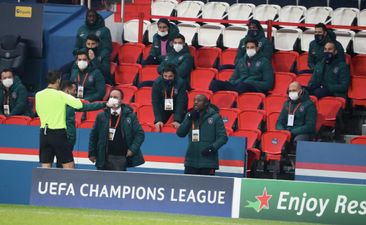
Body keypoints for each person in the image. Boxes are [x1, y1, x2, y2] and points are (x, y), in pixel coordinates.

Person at [35, 71, 83, 169]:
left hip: (44, 134)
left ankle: (45, 184)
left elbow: (38, 111)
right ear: (58, 80)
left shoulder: (38, 94)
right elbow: (79, 105)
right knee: (68, 166)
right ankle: (70, 184)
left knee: (46, 166)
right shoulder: (61, 95)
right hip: (58, 134)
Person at [89, 89, 145, 171]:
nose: (112, 99)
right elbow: (93, 135)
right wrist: (92, 153)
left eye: (115, 97)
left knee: (117, 181)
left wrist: (132, 149)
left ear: (121, 100)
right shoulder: (101, 116)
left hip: (120, 157)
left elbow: (140, 134)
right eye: (111, 97)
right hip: (102, 156)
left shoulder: (129, 115)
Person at [176, 94, 228, 175]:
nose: (196, 102)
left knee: (206, 186)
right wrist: (189, 119)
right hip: (191, 161)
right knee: (188, 186)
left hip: (208, 162)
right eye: (194, 100)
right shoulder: (190, 115)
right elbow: (180, 133)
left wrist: (212, 148)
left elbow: (223, 137)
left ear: (206, 103)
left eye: (199, 100)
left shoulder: (215, 117)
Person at [209, 39, 274, 94]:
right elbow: (232, 79)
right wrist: (239, 81)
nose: (249, 49)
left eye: (252, 47)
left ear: (257, 48)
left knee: (242, 86)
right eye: (247, 47)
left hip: (255, 88)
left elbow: (268, 84)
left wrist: (250, 82)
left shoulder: (265, 62)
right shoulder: (242, 61)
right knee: (214, 83)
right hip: (239, 85)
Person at [276, 81, 317, 154]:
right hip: (287, 131)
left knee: (299, 140)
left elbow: (310, 126)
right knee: (276, 139)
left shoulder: (309, 105)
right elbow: (279, 121)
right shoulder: (287, 104)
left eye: (294, 90)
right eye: (290, 91)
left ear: (300, 91)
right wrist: (282, 131)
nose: (292, 93)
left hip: (302, 133)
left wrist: (293, 132)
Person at [152, 64, 188, 132]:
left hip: (177, 105)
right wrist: (158, 119)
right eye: (165, 76)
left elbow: (181, 102)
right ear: (162, 74)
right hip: (164, 105)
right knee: (158, 125)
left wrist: (177, 120)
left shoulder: (180, 83)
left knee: (179, 127)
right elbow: (155, 102)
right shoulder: (157, 83)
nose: (167, 78)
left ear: (174, 75)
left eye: (170, 76)